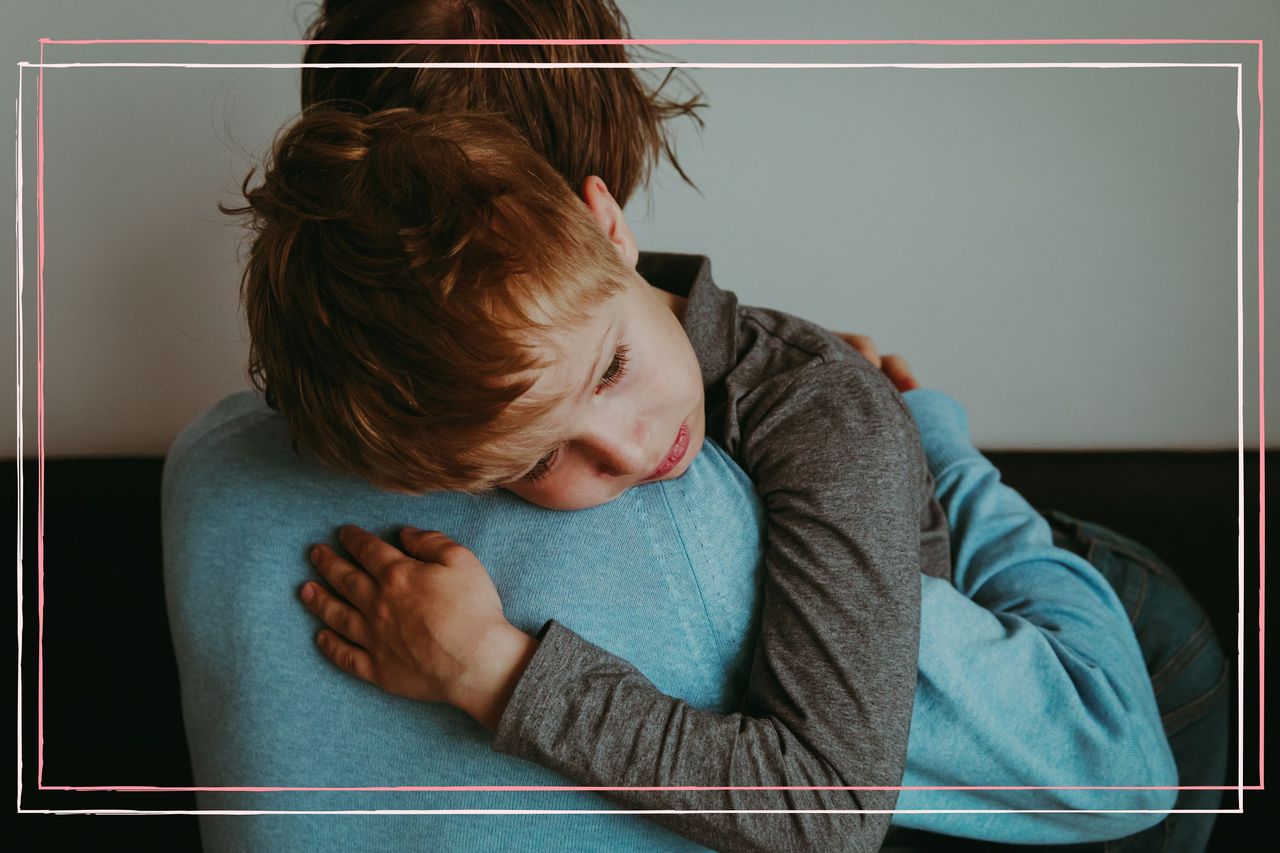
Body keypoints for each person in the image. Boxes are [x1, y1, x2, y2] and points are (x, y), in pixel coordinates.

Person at [223, 104, 1180, 853]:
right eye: (541, 458)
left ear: (609, 227)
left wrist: (493, 671)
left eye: (609, 371)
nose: (632, 451)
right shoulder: (512, 374)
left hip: (1136, 643)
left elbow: (832, 808)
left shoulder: (822, 413)